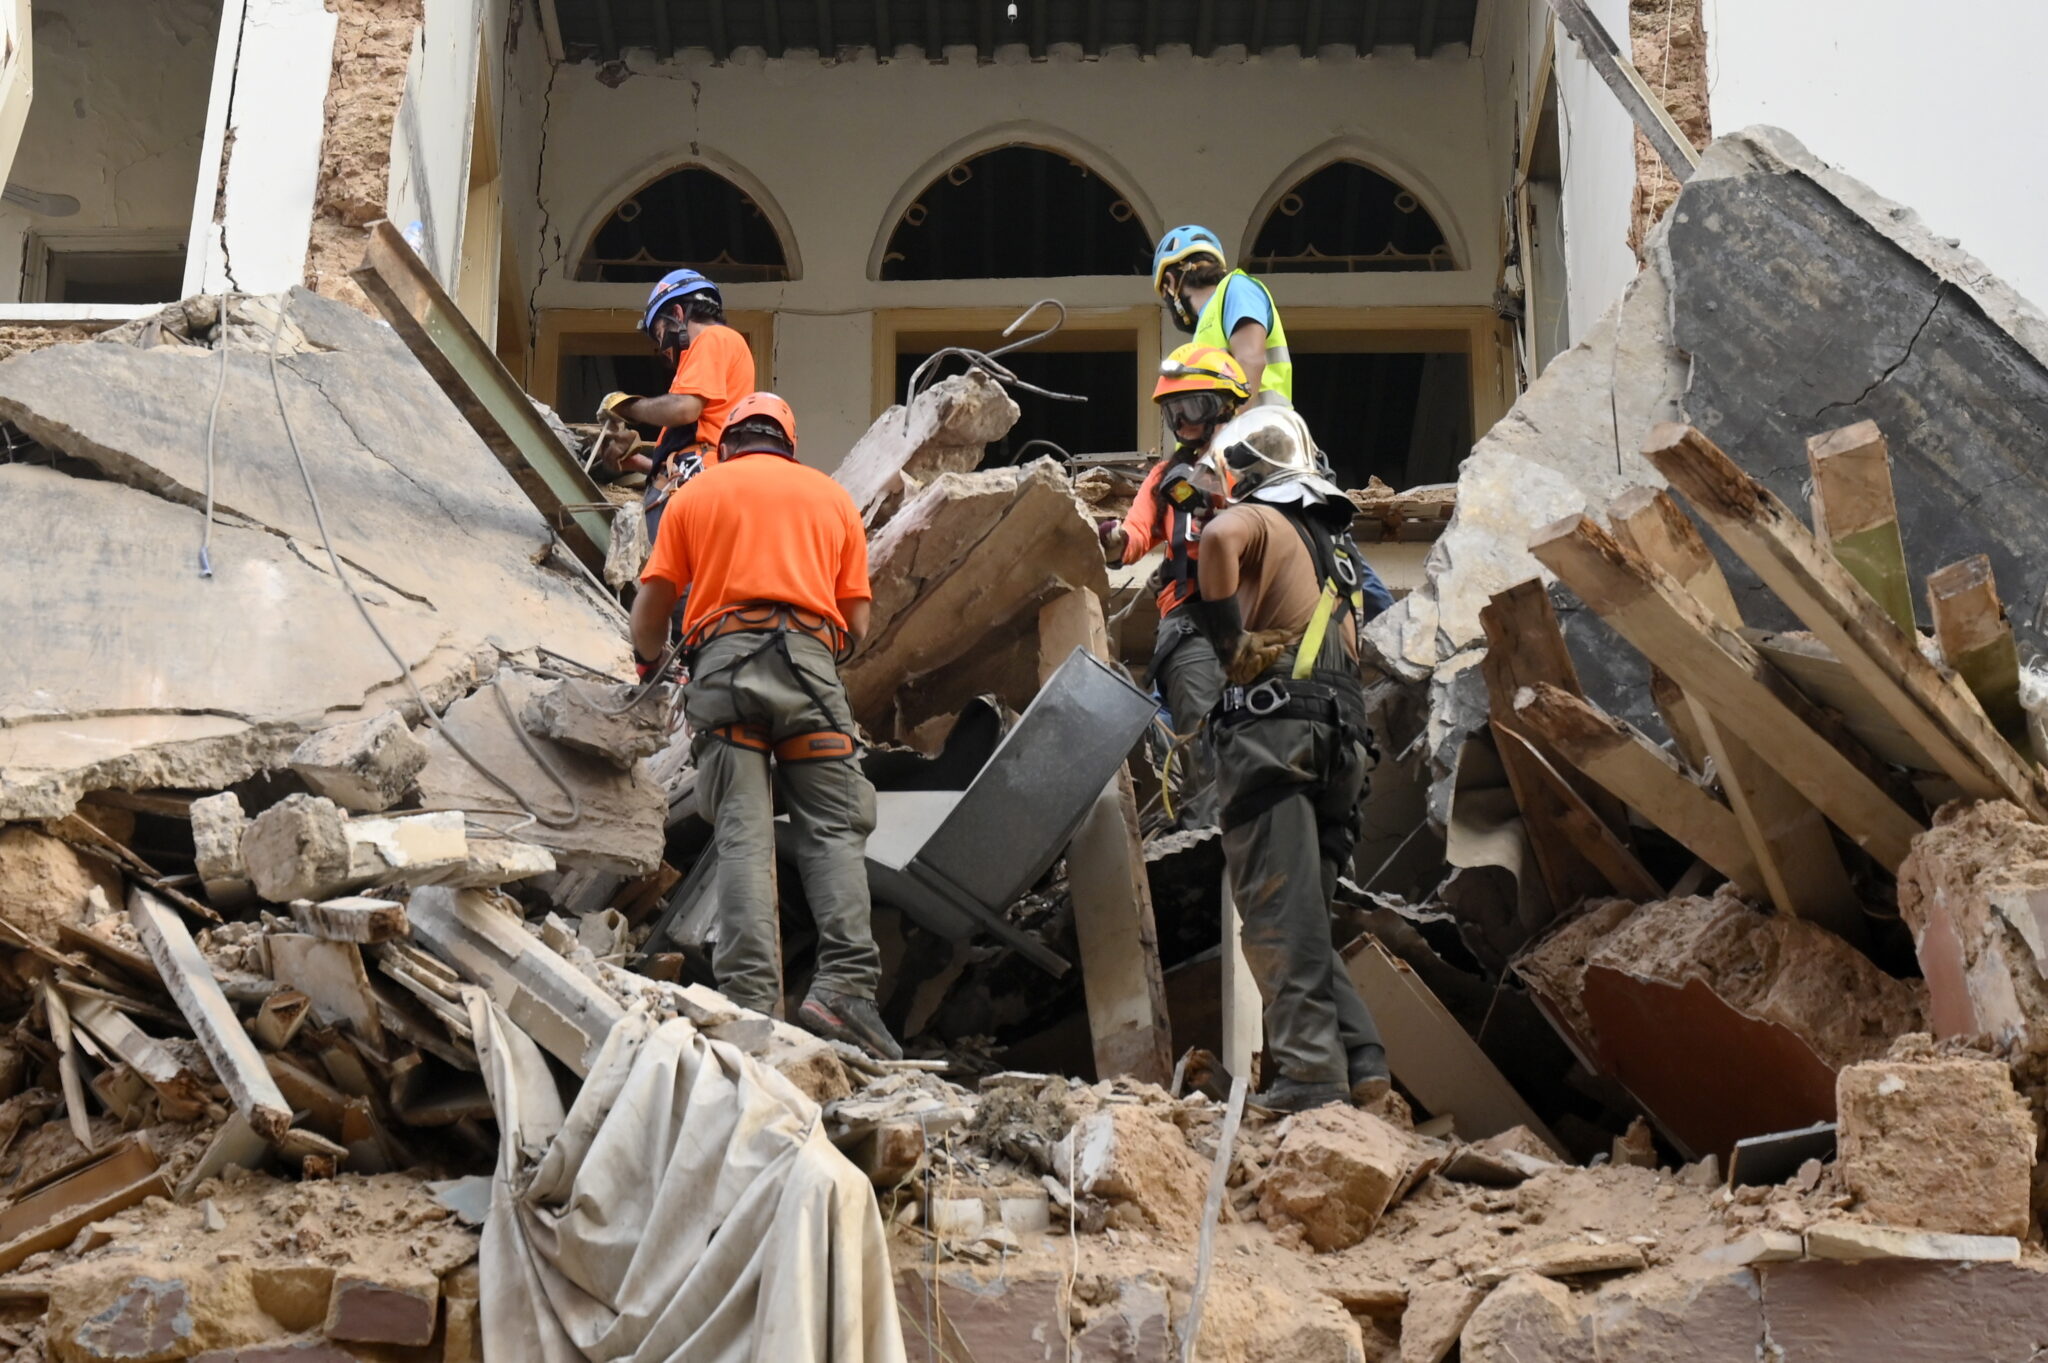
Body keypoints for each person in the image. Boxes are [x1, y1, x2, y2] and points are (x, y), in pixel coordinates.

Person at [629, 392, 902, 1062]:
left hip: (723, 664)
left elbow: (651, 609)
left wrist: (649, 665)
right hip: (810, 665)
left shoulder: (695, 495)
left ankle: (752, 1000)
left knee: (742, 832)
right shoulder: (830, 498)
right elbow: (858, 623)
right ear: (788, 442)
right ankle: (843, 990)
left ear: (728, 443)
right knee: (834, 827)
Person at [1187, 405, 1397, 1112]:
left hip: (1279, 743)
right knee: (1305, 918)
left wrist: (1226, 644)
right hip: (1342, 744)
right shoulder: (1332, 548)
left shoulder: (1257, 521)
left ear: (1240, 474)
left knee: (1279, 920)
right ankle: (1363, 1060)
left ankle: (1310, 1077)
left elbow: (1216, 536)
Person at [1099, 343, 1250, 825]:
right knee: (1204, 744)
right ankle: (1208, 851)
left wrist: (1214, 499)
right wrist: (1111, 538)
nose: (1183, 420)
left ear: (1225, 405)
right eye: (1174, 410)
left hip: (1258, 618)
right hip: (1192, 624)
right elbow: (1135, 536)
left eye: (1194, 406)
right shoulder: (1167, 477)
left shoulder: (1257, 460)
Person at [597, 269, 756, 540]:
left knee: (683, 581)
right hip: (695, 483)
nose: (662, 348)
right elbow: (690, 450)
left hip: (697, 488)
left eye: (660, 333)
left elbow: (684, 409)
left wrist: (626, 407)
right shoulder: (710, 356)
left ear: (679, 315)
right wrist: (641, 464)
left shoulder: (713, 338)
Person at [1150, 225, 1293, 407]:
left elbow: (1251, 361)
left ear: (1169, 281)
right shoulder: (1207, 327)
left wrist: (1228, 432)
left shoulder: (1237, 287)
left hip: (1259, 430)